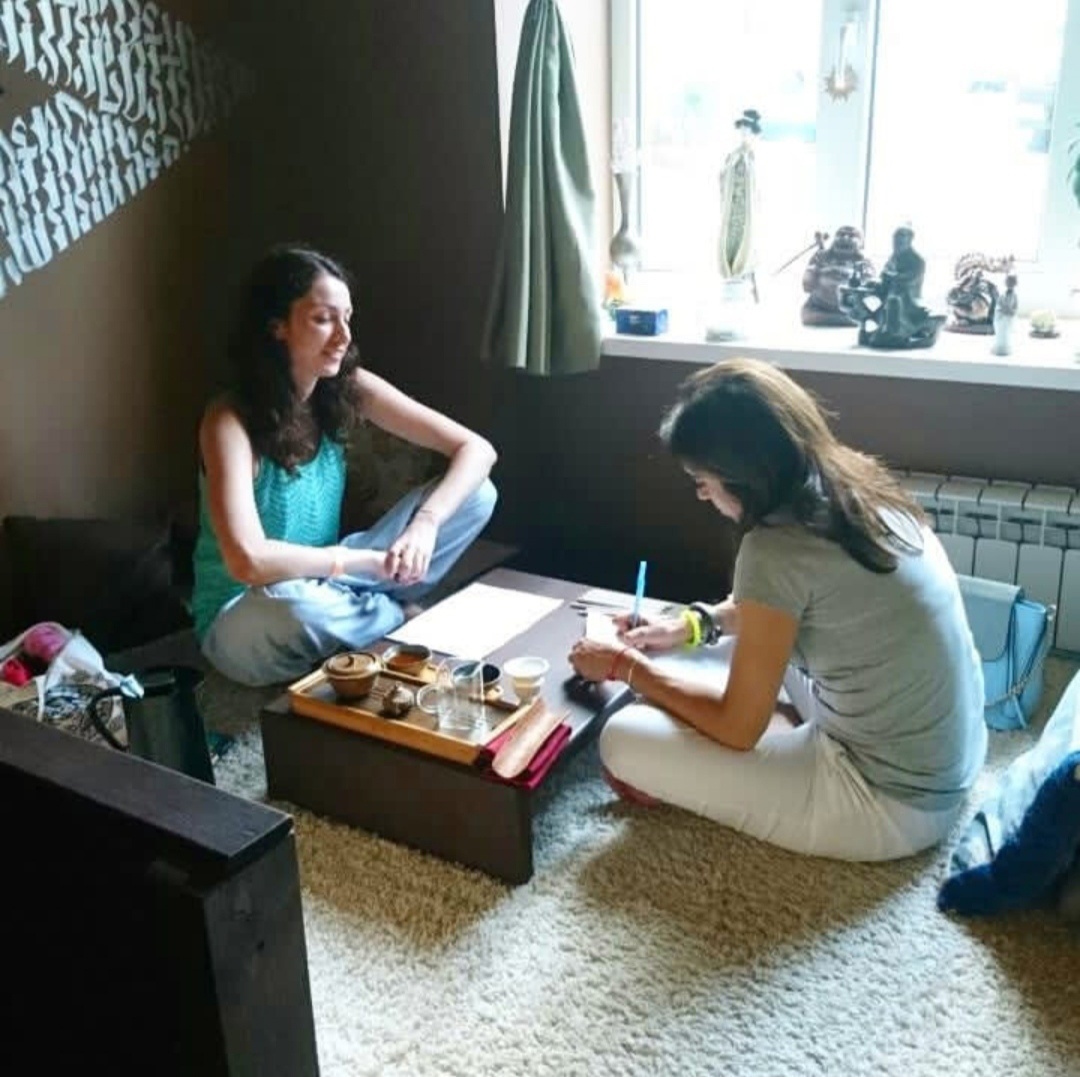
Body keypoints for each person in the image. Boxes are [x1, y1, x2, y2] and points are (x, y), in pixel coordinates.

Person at [568, 358, 986, 862]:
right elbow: (787, 608)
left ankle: (771, 744)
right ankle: (776, 728)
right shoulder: (854, 483)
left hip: (890, 802)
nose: (701, 494)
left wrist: (624, 667)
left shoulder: (774, 548)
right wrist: (695, 625)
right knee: (696, 658)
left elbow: (738, 728)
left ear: (741, 475)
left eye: (702, 480)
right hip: (949, 756)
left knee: (621, 740)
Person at [191, 244, 497, 687]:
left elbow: (477, 450)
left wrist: (425, 525)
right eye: (323, 319)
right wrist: (358, 563)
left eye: (347, 318)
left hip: (333, 583)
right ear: (277, 326)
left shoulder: (345, 387)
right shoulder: (228, 420)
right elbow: (249, 562)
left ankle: (367, 622)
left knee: (477, 494)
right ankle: (395, 617)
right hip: (246, 613)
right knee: (297, 605)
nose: (343, 336)